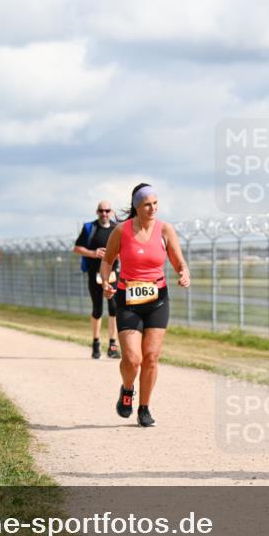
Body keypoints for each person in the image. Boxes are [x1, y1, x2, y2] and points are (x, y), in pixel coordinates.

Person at [100, 183, 190, 427]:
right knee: (132, 358)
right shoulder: (122, 231)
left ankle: (144, 408)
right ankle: (127, 390)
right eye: (147, 204)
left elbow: (178, 261)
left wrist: (184, 273)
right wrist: (106, 282)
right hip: (128, 299)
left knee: (151, 356)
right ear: (137, 207)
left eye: (155, 203)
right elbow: (107, 261)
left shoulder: (165, 230)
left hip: (157, 299)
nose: (153, 208)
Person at [74, 200, 121, 359]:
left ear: (111, 212)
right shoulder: (90, 228)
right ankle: (96, 344)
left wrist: (113, 254)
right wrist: (94, 253)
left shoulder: (117, 229)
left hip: (113, 273)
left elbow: (125, 250)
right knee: (97, 309)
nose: (104, 214)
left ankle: (113, 345)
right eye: (101, 211)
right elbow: (77, 248)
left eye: (107, 211)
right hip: (95, 273)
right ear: (97, 212)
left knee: (114, 308)